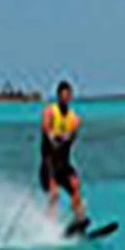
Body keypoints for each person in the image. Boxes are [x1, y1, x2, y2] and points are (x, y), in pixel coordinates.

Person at [40, 80, 89, 229]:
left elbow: (73, 136)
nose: (65, 98)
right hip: (49, 163)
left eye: (68, 96)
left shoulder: (74, 119)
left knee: (75, 186)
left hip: (64, 163)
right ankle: (47, 227)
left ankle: (79, 221)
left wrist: (68, 137)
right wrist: (53, 137)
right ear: (58, 96)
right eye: (63, 96)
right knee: (54, 195)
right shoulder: (49, 111)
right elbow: (45, 128)